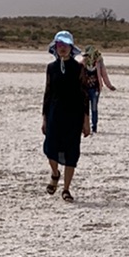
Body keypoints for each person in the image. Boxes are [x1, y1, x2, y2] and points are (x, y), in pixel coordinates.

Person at [43, 31, 90, 200]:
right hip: (55, 113)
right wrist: (44, 118)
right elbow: (47, 94)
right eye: (59, 45)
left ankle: (66, 189)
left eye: (66, 45)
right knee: (50, 149)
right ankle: (55, 174)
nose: (62, 48)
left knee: (72, 151)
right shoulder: (51, 68)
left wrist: (86, 121)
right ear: (55, 48)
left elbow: (85, 95)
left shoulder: (79, 68)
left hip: (74, 115)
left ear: (71, 48)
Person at [83, 47, 115, 132]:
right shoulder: (83, 62)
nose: (88, 56)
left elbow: (104, 75)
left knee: (94, 108)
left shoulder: (99, 63)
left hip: (95, 89)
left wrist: (109, 86)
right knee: (84, 108)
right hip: (84, 89)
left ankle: (94, 126)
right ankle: (84, 125)